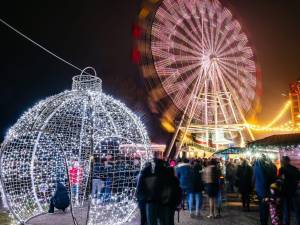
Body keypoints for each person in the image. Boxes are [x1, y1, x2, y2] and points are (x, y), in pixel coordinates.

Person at [138, 156, 181, 225]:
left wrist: (142, 203)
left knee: (151, 222)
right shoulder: (168, 173)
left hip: (151, 202)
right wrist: (176, 202)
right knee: (164, 221)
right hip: (165, 202)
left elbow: (140, 189)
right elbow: (175, 188)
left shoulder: (146, 173)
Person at [253, 155, 277, 225]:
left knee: (263, 208)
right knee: (267, 208)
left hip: (261, 191)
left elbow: (256, 178)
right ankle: (268, 221)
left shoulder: (257, 167)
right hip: (267, 190)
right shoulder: (268, 167)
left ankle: (263, 222)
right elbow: (270, 178)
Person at [279, 156, 300, 225]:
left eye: (282, 161)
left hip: (286, 192)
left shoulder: (282, 169)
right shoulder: (295, 169)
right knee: (297, 210)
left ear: (286, 161)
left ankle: (286, 223)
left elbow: (280, 180)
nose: (281, 162)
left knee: (286, 209)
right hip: (295, 191)